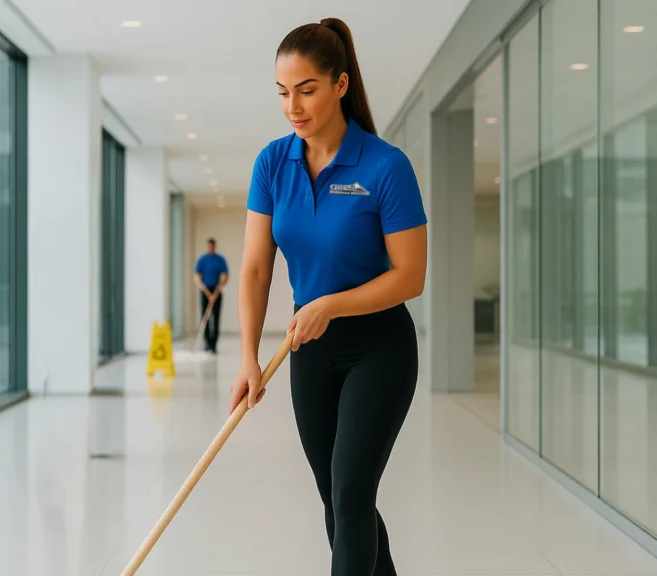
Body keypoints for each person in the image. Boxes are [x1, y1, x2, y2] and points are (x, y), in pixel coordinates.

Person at [231, 17, 428, 576]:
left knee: (351, 492)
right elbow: (254, 268)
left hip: (379, 346)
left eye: (307, 89)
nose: (293, 105)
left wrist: (332, 305)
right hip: (308, 349)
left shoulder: (386, 166)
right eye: (283, 92)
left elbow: (410, 276)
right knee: (338, 499)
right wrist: (248, 354)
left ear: (340, 85)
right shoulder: (272, 163)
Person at [194, 238, 229, 353]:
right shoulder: (202, 260)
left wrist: (216, 292)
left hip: (216, 290)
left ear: (214, 246)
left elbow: (225, 276)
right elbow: (197, 277)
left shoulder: (220, 260)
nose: (210, 248)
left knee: (216, 318)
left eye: (212, 246)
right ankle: (207, 344)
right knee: (205, 318)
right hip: (205, 290)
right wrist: (207, 293)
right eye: (208, 246)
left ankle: (214, 345)